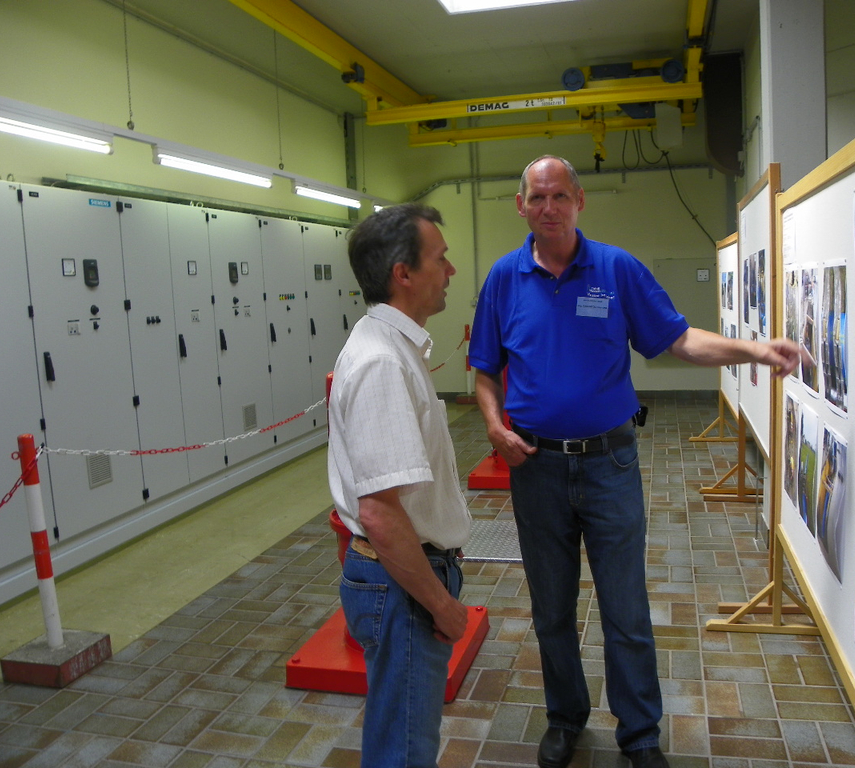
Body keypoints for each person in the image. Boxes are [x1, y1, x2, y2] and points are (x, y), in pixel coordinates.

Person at [468, 155, 801, 768]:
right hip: (536, 468)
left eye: (559, 196)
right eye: (537, 197)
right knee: (551, 608)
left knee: (625, 608)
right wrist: (494, 425)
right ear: (520, 205)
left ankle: (640, 733)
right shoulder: (503, 279)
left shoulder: (616, 269)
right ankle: (565, 717)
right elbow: (485, 369)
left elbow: (679, 339)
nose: (548, 208)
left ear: (579, 200)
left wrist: (755, 350)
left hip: (609, 466)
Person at [327, 203, 471, 768]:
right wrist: (441, 604)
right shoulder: (382, 362)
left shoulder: (391, 347)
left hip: (400, 579)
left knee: (400, 738)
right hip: (403, 587)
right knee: (404, 751)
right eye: (440, 259)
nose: (451, 271)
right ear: (403, 273)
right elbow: (381, 513)